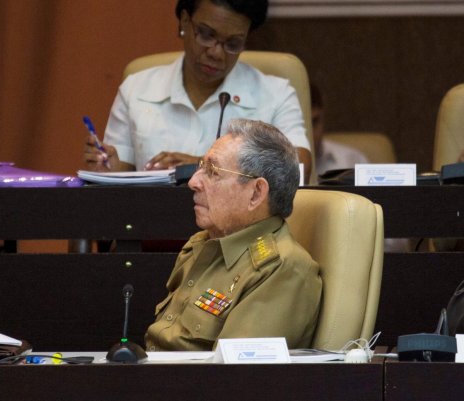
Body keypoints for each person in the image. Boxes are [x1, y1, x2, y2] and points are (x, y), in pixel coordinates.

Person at [145, 118, 322, 351]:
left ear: (256, 193)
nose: (194, 182)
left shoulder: (281, 269)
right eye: (200, 167)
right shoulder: (203, 244)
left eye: (212, 171)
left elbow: (232, 379)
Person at [84, 0, 311, 178]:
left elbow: (298, 168)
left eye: (232, 44)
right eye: (207, 34)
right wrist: (107, 168)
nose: (216, 53)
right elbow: (118, 176)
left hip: (242, 236)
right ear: (184, 21)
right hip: (153, 231)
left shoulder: (276, 95)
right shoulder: (137, 89)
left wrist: (208, 165)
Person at [311, 83, 368, 176]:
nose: (311, 134)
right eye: (303, 125)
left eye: (314, 122)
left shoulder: (352, 160)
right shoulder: (279, 166)